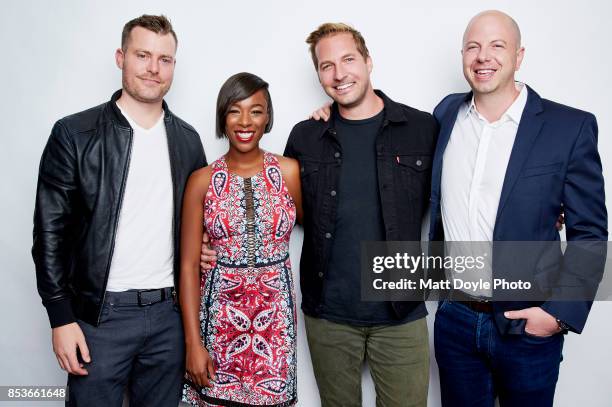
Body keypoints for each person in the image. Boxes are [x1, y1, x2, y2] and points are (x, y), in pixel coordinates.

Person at [429, 10, 607, 406]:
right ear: (462, 55)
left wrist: (558, 315)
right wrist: (330, 112)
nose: (483, 57)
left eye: (497, 45)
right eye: (473, 46)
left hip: (527, 325)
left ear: (519, 55)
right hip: (455, 321)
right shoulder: (445, 114)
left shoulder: (569, 127)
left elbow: (590, 236)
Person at [31, 15, 206, 406]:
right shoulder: (74, 134)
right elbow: (49, 233)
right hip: (100, 317)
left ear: (174, 65)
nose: (153, 68)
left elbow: (196, 226)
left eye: (164, 59)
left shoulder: (188, 141)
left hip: (169, 317)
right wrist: (60, 316)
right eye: (142, 55)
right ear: (120, 57)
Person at [285, 23, 436, 407]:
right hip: (329, 314)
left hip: (401, 313)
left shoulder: (422, 128)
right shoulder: (305, 136)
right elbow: (282, 213)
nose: (339, 74)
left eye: (348, 59)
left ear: (368, 61)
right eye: (326, 65)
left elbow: (461, 190)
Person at [180, 72, 302, 407]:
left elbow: (318, 229)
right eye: (235, 110)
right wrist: (193, 342)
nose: (245, 121)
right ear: (222, 117)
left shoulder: (289, 172)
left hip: (275, 326)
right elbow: (189, 265)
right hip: (218, 325)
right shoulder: (201, 180)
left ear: (268, 118)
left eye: (256, 111)